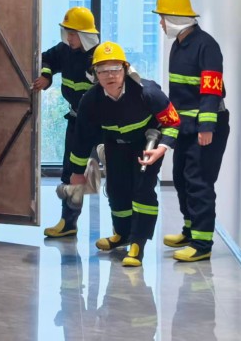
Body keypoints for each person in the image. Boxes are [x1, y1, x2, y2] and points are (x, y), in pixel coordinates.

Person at [69, 41, 180, 267]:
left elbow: (173, 122)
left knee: (142, 191)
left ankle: (138, 243)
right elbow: (81, 139)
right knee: (116, 190)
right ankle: (122, 234)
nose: (110, 75)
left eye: (115, 69)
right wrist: (77, 172)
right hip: (115, 145)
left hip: (147, 145)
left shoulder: (148, 92)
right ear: (95, 74)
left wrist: (161, 148)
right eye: (103, 70)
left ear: (125, 69)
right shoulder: (90, 100)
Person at [153, 0, 230, 262]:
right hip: (185, 126)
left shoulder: (206, 45)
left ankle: (202, 243)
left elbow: (212, 90)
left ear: (175, 18)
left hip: (206, 127)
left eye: (163, 18)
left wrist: (206, 127)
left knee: (199, 183)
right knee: (181, 179)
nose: (161, 23)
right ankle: (189, 229)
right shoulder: (179, 45)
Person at [33, 6, 99, 238]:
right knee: (71, 172)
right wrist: (47, 76)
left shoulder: (99, 56)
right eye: (67, 33)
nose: (69, 38)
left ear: (85, 35)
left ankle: (122, 231)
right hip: (76, 120)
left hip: (102, 125)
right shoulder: (64, 51)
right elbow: (46, 58)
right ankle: (68, 222)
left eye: (73, 34)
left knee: (118, 175)